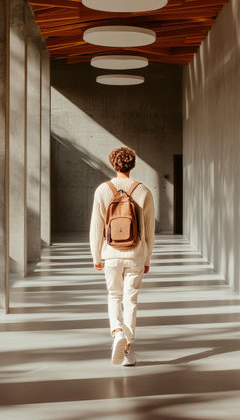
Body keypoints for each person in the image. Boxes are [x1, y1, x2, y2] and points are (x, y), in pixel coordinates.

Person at [89, 147, 155, 366]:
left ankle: (117, 331)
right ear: (133, 164)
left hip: (111, 254)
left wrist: (96, 255)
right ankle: (127, 348)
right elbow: (149, 230)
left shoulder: (102, 190)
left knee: (114, 295)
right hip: (136, 253)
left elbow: (96, 228)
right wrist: (147, 258)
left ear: (113, 164)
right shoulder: (144, 191)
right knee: (131, 299)